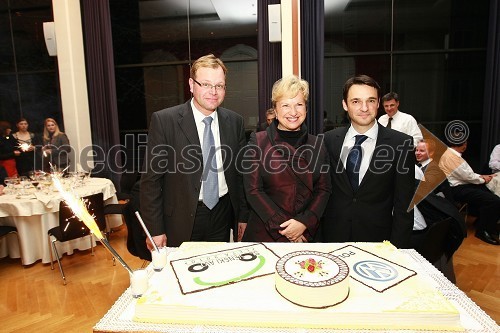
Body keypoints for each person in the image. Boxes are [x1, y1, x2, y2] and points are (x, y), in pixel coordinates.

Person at [140, 54, 248, 248]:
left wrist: (242, 216)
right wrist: (154, 229)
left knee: (217, 272)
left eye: (219, 85)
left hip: (222, 214)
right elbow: (151, 182)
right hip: (180, 219)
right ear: (191, 85)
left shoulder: (235, 122)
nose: (213, 91)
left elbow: (240, 176)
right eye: (206, 84)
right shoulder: (165, 121)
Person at [321, 75, 415, 248]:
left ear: (378, 103)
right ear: (345, 105)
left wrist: (397, 250)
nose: (364, 108)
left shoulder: (401, 144)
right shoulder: (328, 140)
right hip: (332, 237)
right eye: (356, 101)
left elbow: (405, 206)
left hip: (378, 241)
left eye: (370, 100)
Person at [241, 75, 331, 242]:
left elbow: (323, 190)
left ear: (306, 108)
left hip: (306, 233)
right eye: (286, 105)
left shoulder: (317, 144)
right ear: (275, 110)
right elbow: (253, 191)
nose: (293, 112)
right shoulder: (258, 141)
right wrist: (287, 229)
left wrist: (303, 223)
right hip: (266, 234)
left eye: (299, 104)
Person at [439, 138, 500, 245]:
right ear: (464, 145)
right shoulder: (453, 157)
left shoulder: (449, 153)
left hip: (458, 185)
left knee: (489, 193)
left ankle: (484, 223)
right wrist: (483, 179)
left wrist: (482, 177)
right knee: (494, 200)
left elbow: (466, 175)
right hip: (457, 189)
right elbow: (468, 176)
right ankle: (482, 232)